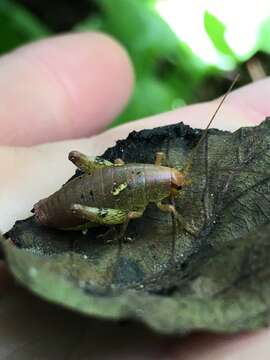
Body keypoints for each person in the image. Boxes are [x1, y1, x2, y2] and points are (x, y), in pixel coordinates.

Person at [0, 32, 269, 359]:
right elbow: (152, 211)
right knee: (127, 216)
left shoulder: (157, 165)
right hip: (81, 208)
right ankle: (56, 213)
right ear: (167, 175)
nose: (179, 185)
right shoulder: (162, 187)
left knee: (114, 175)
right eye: (176, 184)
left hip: (113, 179)